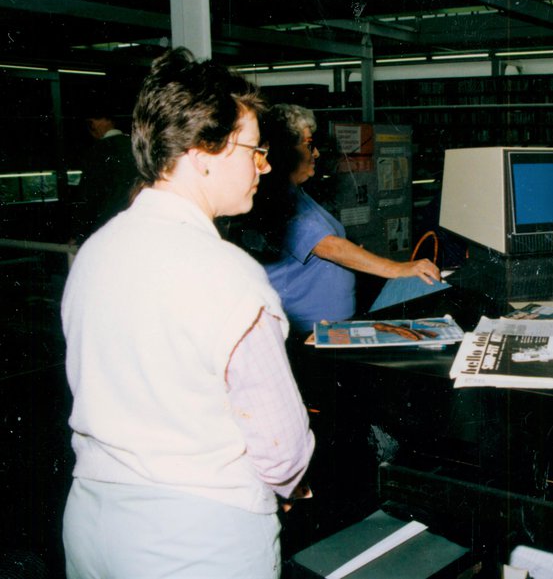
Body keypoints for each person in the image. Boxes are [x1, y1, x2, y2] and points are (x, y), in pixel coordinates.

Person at [61, 48, 314, 579]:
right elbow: (281, 447)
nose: (265, 166)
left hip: (93, 520)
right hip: (196, 536)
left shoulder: (97, 252)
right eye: (255, 150)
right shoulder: (228, 272)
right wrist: (291, 485)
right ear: (204, 154)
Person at [240, 103, 440, 334]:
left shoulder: (297, 195)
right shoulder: (279, 199)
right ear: (285, 150)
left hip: (328, 324)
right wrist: (398, 269)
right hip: (309, 330)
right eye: (309, 145)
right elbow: (329, 246)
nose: (316, 153)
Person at [73, 106, 139, 240]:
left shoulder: (96, 152)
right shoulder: (136, 147)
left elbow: (90, 196)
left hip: (105, 228)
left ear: (93, 123)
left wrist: (79, 233)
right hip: (135, 224)